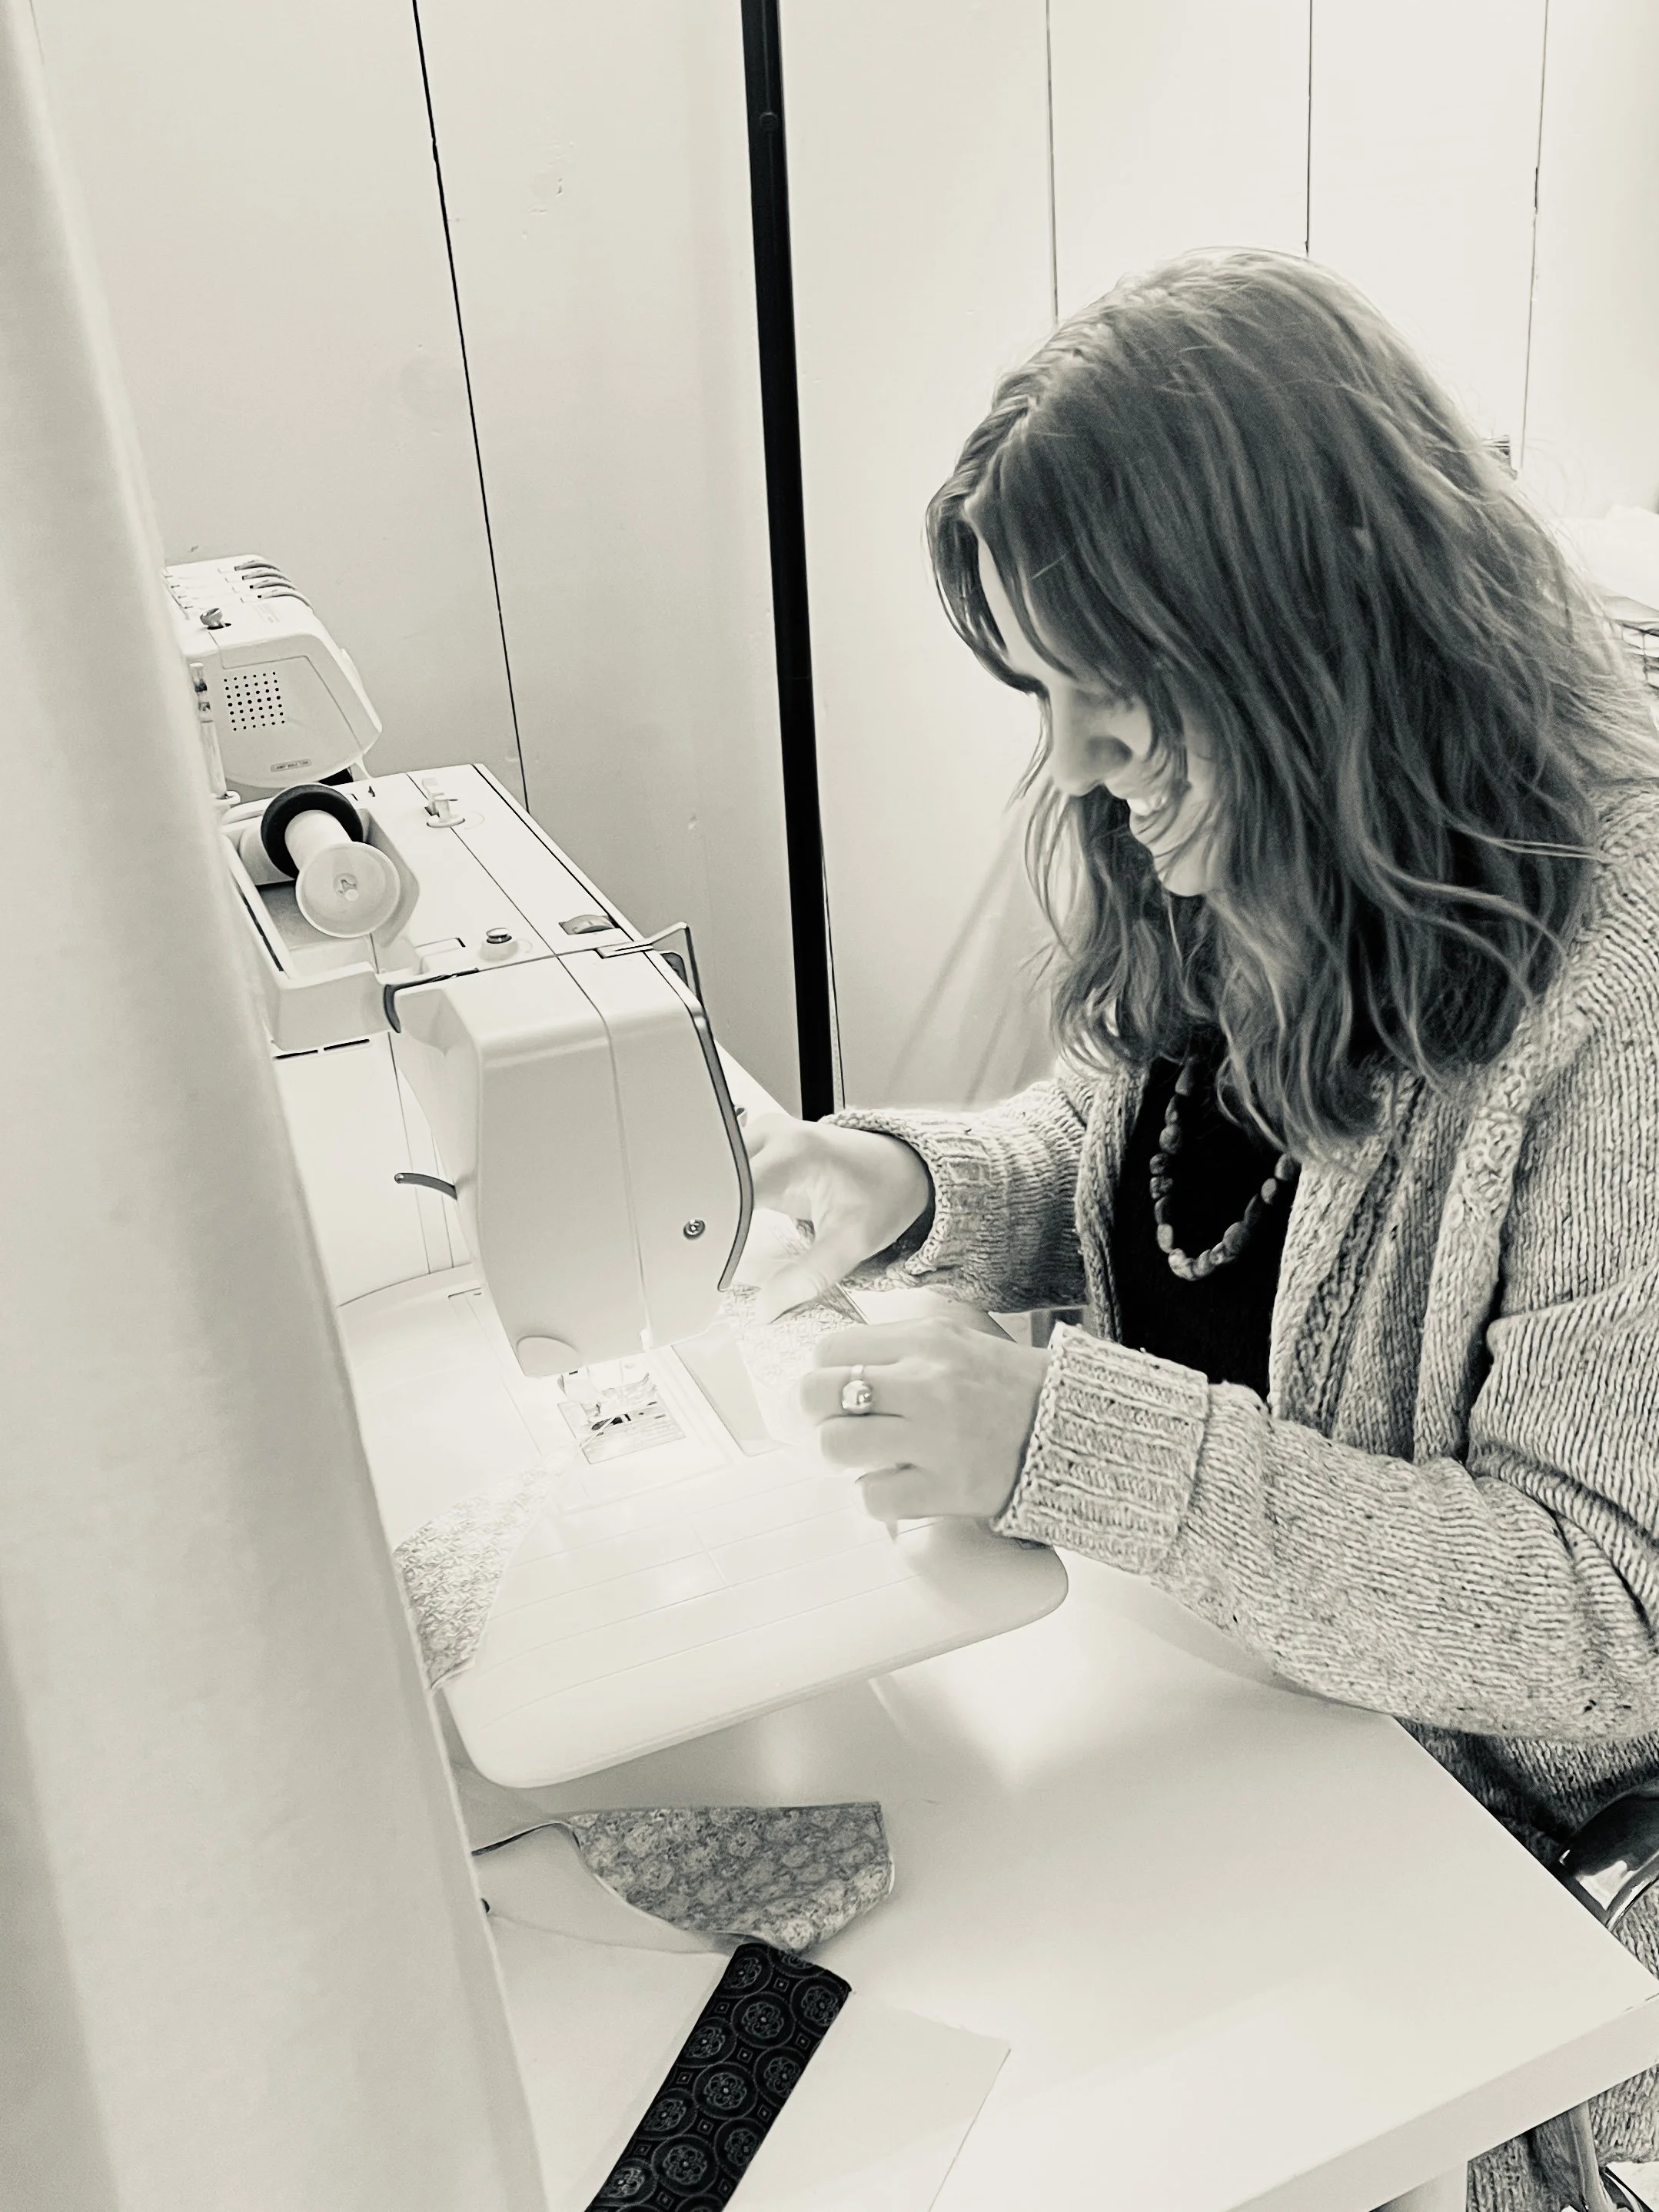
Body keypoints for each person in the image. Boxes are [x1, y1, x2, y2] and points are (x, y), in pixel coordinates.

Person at [743, 249, 1659, 2212]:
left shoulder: (1622, 970)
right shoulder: (1241, 826)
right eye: (1042, 689)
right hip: (1233, 1697)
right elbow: (1153, 1133)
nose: (1067, 757)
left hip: (1479, 1849)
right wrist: (912, 1182)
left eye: (1110, 689)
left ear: (1316, 646)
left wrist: (1066, 1440)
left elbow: (1602, 1623)